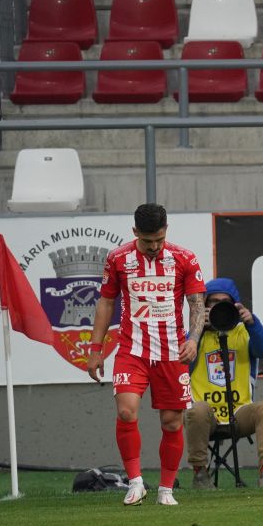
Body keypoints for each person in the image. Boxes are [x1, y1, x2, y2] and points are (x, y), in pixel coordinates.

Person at [87, 203, 206, 506]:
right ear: (135, 232)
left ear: (166, 231)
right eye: (147, 240)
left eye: (159, 240)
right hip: (132, 350)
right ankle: (136, 483)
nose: (154, 247)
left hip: (172, 352)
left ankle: (166, 490)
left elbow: (196, 304)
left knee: (172, 423)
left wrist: (193, 339)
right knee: (126, 411)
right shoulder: (118, 259)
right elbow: (105, 303)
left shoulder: (184, 258)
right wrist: (95, 349)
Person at [184, 278, 263, 488]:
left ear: (234, 304)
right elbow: (182, 367)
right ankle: (200, 472)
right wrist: (198, 330)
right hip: (206, 416)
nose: (218, 306)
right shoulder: (192, 336)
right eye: (213, 302)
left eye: (224, 302)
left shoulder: (245, 332)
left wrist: (251, 322)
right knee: (195, 410)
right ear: (205, 305)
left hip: (239, 413)